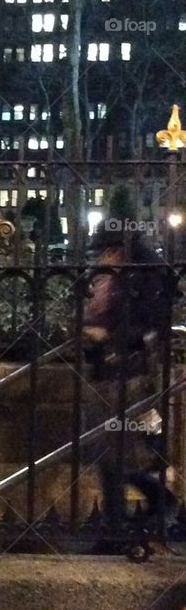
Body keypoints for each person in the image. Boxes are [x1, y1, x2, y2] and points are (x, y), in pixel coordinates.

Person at [82, 219, 173, 529]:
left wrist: (107, 337)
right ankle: (147, 504)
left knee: (112, 452)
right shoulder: (112, 276)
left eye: (107, 250)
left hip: (129, 372)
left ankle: (119, 523)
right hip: (106, 372)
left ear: (120, 250)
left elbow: (151, 324)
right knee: (107, 450)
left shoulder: (143, 277)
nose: (102, 257)